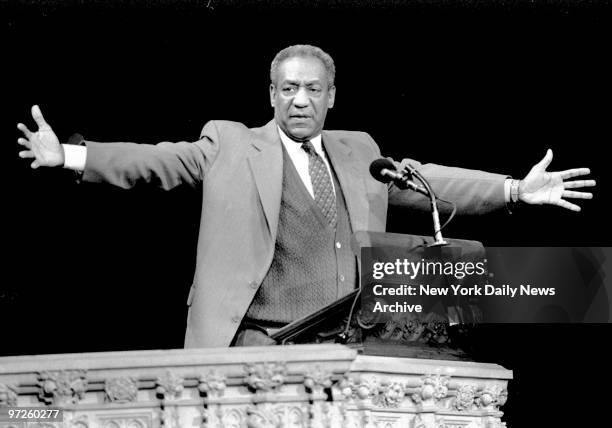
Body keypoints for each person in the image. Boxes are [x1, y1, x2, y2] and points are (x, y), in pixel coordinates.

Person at [16, 45, 595, 348]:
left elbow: (427, 180)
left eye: (312, 89)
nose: (299, 100)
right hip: (256, 345)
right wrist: (69, 155)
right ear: (270, 93)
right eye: (288, 88)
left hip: (350, 345)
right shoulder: (230, 144)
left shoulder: (357, 149)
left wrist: (516, 189)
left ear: (331, 97)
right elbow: (158, 160)